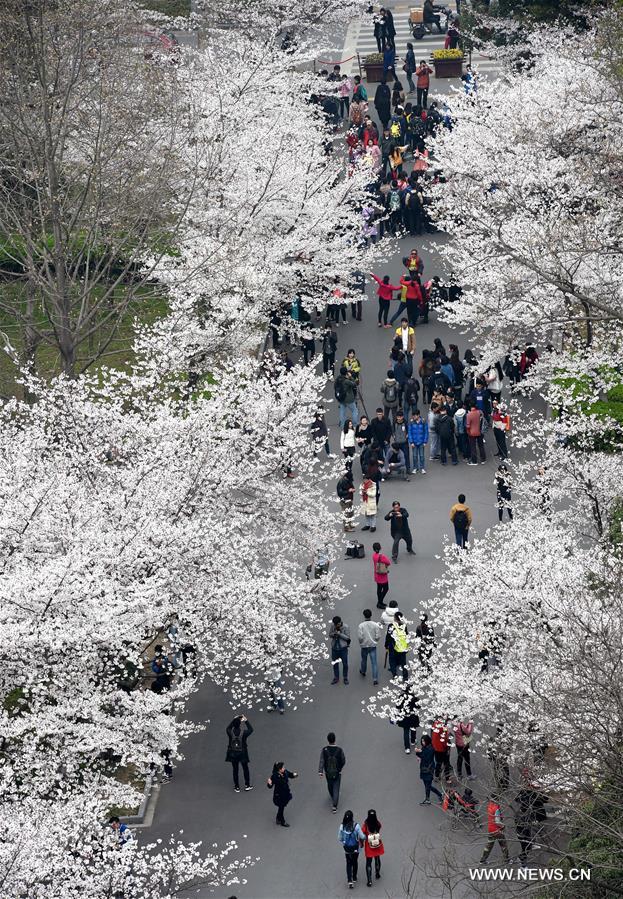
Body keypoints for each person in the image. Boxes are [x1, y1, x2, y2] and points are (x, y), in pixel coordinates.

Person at [319, 731, 346, 812]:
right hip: (337, 772)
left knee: (330, 785)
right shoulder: (339, 750)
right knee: (336, 788)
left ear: (328, 740)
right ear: (335, 740)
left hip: (328, 772)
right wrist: (340, 768)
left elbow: (322, 761)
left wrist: (320, 771)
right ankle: (334, 806)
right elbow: (343, 760)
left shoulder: (324, 750)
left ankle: (332, 796)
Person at [225, 715, 254, 792]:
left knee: (235, 769)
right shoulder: (243, 733)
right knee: (245, 768)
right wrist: (246, 720)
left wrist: (234, 719)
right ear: (240, 724)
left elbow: (228, 728)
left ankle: (237, 786)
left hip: (233, 753)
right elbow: (251, 729)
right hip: (243, 753)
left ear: (233, 725)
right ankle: (247, 785)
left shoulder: (230, 732)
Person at [338, 810, 365, 889]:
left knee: (348, 863)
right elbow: (362, 836)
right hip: (355, 848)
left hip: (347, 848)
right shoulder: (356, 826)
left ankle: (349, 880)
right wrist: (365, 838)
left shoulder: (342, 826)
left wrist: (344, 842)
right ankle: (354, 877)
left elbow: (339, 838)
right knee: (355, 861)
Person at [480, 794, 510, 864]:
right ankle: (507, 859)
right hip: (497, 830)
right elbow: (497, 821)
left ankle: (482, 860)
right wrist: (503, 826)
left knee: (488, 846)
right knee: (503, 845)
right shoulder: (496, 808)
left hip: (490, 829)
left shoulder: (490, 805)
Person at [267, 762, 298, 827]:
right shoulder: (275, 776)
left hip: (285, 792)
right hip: (279, 795)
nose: (284, 768)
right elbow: (270, 786)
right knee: (281, 807)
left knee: (282, 807)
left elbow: (290, 774)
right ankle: (282, 821)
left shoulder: (285, 772)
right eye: (283, 767)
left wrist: (294, 775)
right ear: (279, 769)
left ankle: (278, 818)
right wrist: (269, 783)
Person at [416, 735, 443, 805]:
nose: (422, 743)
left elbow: (425, 757)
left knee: (428, 786)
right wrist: (419, 752)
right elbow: (422, 755)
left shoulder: (431, 749)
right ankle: (428, 798)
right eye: (422, 741)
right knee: (427, 785)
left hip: (429, 770)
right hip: (424, 769)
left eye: (424, 741)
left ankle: (438, 795)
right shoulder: (425, 747)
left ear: (427, 741)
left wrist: (418, 752)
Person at [393, 688, 419, 753]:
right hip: (412, 716)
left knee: (406, 731)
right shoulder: (414, 697)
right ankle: (413, 741)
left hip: (404, 716)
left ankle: (407, 748)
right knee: (413, 728)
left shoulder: (401, 697)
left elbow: (397, 706)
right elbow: (418, 706)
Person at [358, 609, 381, 684]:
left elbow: (360, 637)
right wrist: (375, 641)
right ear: (371, 615)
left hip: (364, 646)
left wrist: (361, 643)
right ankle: (375, 679)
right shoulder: (375, 625)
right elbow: (378, 636)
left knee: (364, 660)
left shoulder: (361, 625)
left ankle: (363, 671)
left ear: (364, 615)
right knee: (374, 663)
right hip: (372, 645)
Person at [362, 810, 384, 885]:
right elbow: (380, 826)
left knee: (368, 863)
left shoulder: (366, 824)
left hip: (369, 846)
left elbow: (363, 832)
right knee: (377, 858)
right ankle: (377, 873)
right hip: (377, 843)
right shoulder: (377, 823)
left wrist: (361, 843)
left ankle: (369, 881)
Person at [387, 611, 409, 679]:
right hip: (402, 646)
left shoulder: (391, 626)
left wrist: (386, 645)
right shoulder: (404, 626)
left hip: (393, 646)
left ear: (395, 618)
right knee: (403, 662)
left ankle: (394, 674)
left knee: (392, 660)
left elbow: (388, 636)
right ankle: (405, 677)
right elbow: (406, 635)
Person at [329, 615, 351, 684]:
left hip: (343, 648)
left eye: (337, 624)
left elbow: (348, 638)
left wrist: (340, 634)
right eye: (335, 624)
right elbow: (330, 634)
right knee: (335, 664)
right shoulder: (333, 626)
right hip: (334, 648)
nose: (336, 626)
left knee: (345, 664)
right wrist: (334, 634)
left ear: (340, 622)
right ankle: (336, 677)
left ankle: (345, 677)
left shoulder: (346, 627)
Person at [431, 717, 452, 782]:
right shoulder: (443, 727)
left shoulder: (435, 724)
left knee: (438, 763)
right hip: (442, 749)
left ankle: (436, 776)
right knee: (446, 763)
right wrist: (447, 747)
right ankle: (447, 778)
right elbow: (445, 739)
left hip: (436, 748)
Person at [371, 541, 391, 609]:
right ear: (380, 548)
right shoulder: (382, 556)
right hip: (383, 576)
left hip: (377, 575)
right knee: (386, 588)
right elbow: (388, 562)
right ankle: (379, 602)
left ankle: (380, 602)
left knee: (379, 589)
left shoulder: (374, 555)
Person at [408, 408, 428, 473]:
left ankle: (422, 468)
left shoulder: (423, 421)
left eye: (415, 415)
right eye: (413, 415)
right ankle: (415, 468)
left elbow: (426, 432)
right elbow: (409, 432)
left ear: (418, 415)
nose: (413, 417)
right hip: (414, 442)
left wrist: (425, 441)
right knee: (414, 456)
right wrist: (411, 442)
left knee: (422, 456)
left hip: (421, 442)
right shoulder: (411, 422)